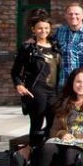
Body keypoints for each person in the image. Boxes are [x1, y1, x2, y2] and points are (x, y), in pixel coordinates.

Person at [12, 11, 62, 148]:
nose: (43, 31)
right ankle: (34, 154)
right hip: (36, 91)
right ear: (33, 29)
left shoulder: (56, 46)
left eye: (46, 28)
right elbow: (15, 71)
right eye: (40, 28)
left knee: (53, 124)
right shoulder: (28, 48)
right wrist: (19, 85)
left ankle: (49, 154)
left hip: (54, 92)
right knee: (37, 124)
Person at [54, 3, 83, 88]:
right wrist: (33, 40)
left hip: (81, 85)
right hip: (63, 82)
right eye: (70, 14)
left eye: (76, 14)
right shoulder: (59, 32)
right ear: (66, 16)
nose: (73, 16)